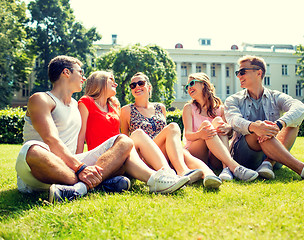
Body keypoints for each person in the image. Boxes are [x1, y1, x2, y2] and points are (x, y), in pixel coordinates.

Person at [15, 56, 189, 203]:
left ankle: (153, 180)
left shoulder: (76, 105)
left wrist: (82, 166)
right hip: (43, 169)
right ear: (66, 72)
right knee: (33, 150)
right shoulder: (41, 99)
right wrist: (81, 168)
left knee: (124, 141)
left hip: (71, 166)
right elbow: (51, 140)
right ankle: (103, 181)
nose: (84, 78)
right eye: (80, 72)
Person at [224, 55, 304, 184]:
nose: (238, 76)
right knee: (261, 130)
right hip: (244, 155)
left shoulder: (275, 96)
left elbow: (300, 108)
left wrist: (279, 124)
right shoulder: (233, 100)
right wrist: (255, 127)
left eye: (242, 72)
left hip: (274, 154)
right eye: (238, 72)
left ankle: (268, 164)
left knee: (293, 123)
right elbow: (233, 120)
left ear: (258, 73)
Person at [76, 71, 190, 182]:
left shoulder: (114, 106)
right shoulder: (86, 102)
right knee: (138, 134)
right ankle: (165, 175)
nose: (115, 84)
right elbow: (81, 136)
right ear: (100, 81)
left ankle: (168, 174)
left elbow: (119, 135)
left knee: (137, 136)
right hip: (103, 156)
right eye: (111, 80)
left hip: (120, 154)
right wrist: (79, 167)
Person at [120, 72, 222, 188]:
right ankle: (182, 171)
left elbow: (167, 135)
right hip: (143, 155)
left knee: (183, 152)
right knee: (170, 127)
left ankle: (209, 175)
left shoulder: (160, 107)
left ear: (149, 87)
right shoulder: (126, 110)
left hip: (161, 152)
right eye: (133, 85)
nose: (137, 87)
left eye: (140, 83)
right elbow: (125, 140)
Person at [182, 72, 258, 182]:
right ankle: (234, 167)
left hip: (216, 156)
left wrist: (229, 129)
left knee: (218, 122)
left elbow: (228, 135)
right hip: (197, 153)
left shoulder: (220, 109)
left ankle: (225, 168)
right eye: (187, 86)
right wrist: (200, 134)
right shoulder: (189, 108)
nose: (189, 88)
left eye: (192, 83)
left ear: (203, 84)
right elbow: (188, 135)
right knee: (206, 125)